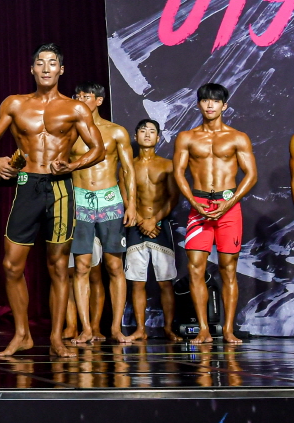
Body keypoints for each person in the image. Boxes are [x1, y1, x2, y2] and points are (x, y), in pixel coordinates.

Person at [0, 43, 104, 358]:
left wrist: (74, 165)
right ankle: (22, 334)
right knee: (11, 265)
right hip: (27, 184)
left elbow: (98, 149)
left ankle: (55, 337)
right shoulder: (15, 103)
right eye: (40, 63)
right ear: (32, 69)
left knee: (58, 267)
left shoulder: (75, 109)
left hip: (60, 188)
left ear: (61, 70)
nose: (46, 68)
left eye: (52, 63)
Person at [173, 83, 256, 345]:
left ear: (224, 106)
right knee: (195, 268)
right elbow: (178, 173)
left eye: (215, 101)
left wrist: (229, 203)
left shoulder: (238, 137)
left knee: (228, 269)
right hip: (198, 206)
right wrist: (193, 202)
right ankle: (203, 330)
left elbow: (251, 175)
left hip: (228, 206)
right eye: (205, 100)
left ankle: (228, 330)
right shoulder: (186, 137)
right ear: (198, 104)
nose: (210, 105)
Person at [68, 83, 135, 345]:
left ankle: (116, 328)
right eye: (77, 96)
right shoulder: (70, 132)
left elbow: (128, 171)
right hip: (80, 201)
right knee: (81, 266)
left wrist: (132, 205)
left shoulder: (116, 131)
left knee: (114, 266)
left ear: (99, 100)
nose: (80, 100)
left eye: (86, 96)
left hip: (110, 200)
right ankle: (86, 328)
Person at [124, 119, 179, 341]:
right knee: (137, 282)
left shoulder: (168, 165)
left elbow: (173, 197)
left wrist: (154, 220)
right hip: (136, 226)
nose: (147, 134)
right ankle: (140, 329)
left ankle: (168, 328)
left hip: (160, 226)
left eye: (152, 131)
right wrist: (140, 220)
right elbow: (125, 197)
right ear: (135, 136)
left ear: (158, 137)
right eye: (142, 131)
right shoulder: (128, 166)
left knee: (165, 282)